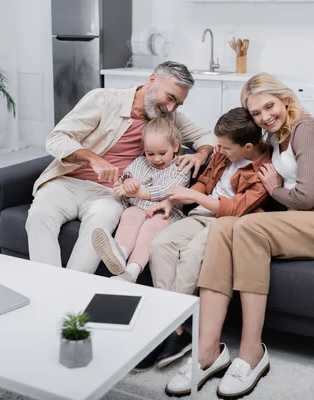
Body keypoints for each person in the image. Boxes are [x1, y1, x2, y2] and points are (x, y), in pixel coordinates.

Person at [164, 72, 314, 398]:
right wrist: (208, 153)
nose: (265, 116)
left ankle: (252, 354)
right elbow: (234, 148)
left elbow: (305, 197)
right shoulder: (276, 137)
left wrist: (275, 189)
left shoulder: (307, 128)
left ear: (285, 99)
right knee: (222, 226)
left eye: (269, 106)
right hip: (303, 221)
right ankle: (206, 352)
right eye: (257, 112)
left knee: (247, 227)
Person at [25, 61, 216, 274]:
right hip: (67, 181)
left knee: (100, 225)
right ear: (152, 81)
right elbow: (56, 139)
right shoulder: (104, 100)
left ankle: (73, 291)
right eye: (170, 98)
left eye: (178, 104)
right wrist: (93, 159)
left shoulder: (169, 118)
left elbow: (207, 136)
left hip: (109, 193)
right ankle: (48, 288)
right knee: (39, 216)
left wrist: (201, 153)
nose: (171, 108)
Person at [132, 107, 272, 373]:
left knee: (193, 254)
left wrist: (195, 197)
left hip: (224, 224)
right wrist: (171, 200)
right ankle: (175, 328)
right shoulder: (222, 152)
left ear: (248, 146)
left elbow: (235, 209)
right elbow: (205, 183)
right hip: (198, 215)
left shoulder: (263, 171)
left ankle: (169, 329)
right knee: (160, 244)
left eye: (225, 147)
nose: (218, 150)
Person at [91, 118, 190, 283]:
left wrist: (138, 192)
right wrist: (128, 183)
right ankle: (119, 254)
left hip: (165, 212)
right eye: (150, 154)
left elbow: (168, 191)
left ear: (176, 146)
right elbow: (125, 179)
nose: (156, 159)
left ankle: (132, 271)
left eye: (162, 153)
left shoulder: (181, 167)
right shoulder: (140, 162)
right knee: (130, 215)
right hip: (138, 207)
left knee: (150, 228)